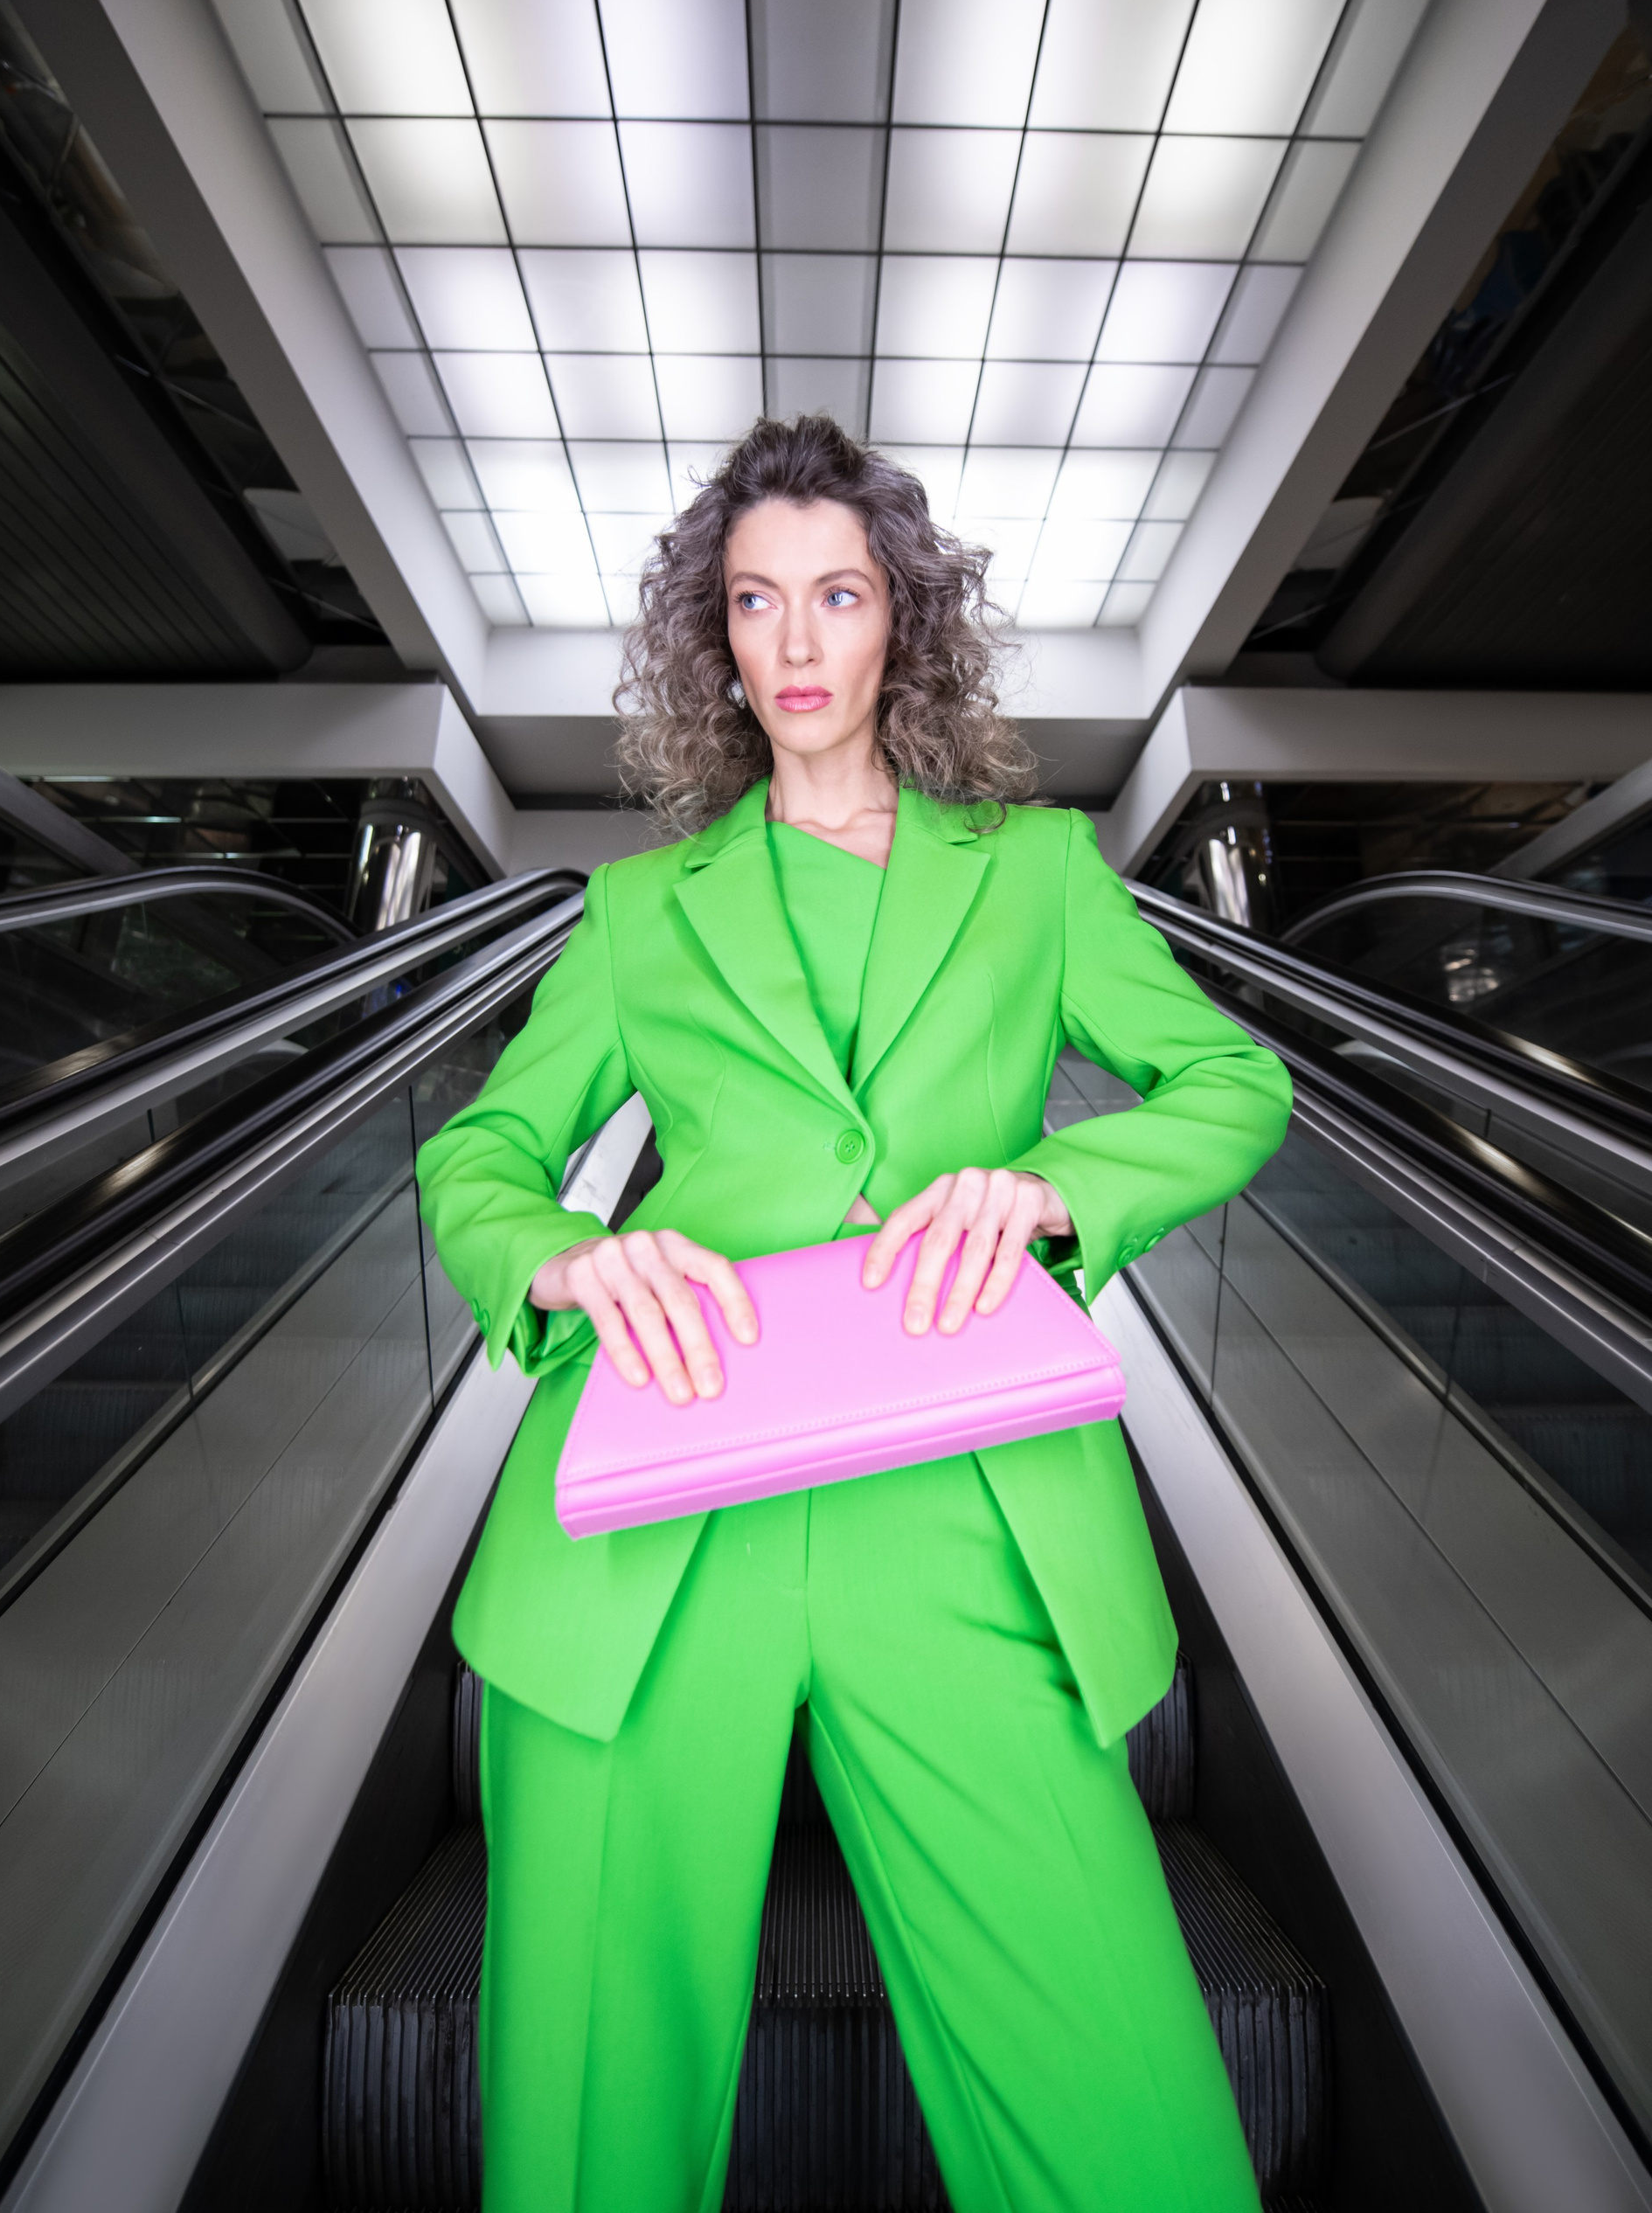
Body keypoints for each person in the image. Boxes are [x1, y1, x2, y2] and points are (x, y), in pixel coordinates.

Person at [416, 414, 1292, 2213]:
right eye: (756, 601)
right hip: (643, 1535)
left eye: (839, 594)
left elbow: (1235, 1082)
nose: (797, 642)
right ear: (716, 637)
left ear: (903, 618)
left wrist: (1051, 1187)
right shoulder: (636, 916)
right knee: (580, 2143)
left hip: (963, 1517)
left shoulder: (1037, 874)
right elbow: (483, 1153)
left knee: (1128, 2124)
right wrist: (565, 1255)